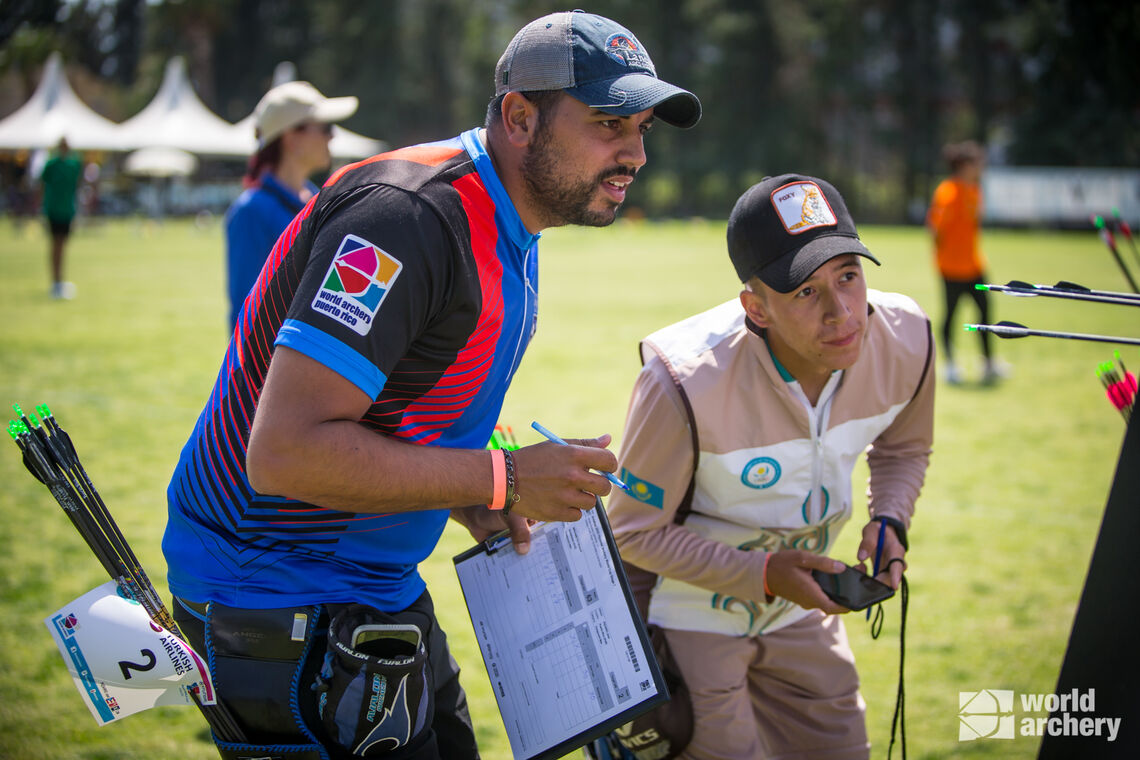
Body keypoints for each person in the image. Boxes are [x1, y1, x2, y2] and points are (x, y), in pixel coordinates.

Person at [163, 10, 699, 760]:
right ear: (520, 116)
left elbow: (395, 411)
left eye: (643, 128)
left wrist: (470, 494)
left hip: (370, 582)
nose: (636, 153)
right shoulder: (408, 217)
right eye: (611, 123)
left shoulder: (511, 218)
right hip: (277, 593)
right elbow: (285, 453)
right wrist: (502, 477)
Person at [608, 174, 934, 760]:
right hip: (686, 618)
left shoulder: (906, 337)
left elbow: (903, 448)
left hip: (799, 611)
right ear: (756, 307)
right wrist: (760, 574)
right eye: (805, 292)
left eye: (849, 276)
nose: (842, 312)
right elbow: (633, 532)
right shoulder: (682, 380)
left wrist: (891, 519)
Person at [225, 81, 359, 331]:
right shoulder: (251, 212)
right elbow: (246, 318)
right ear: (292, 139)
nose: (332, 135)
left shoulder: (320, 201)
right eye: (324, 127)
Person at [927, 139, 1003, 384]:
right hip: (951, 269)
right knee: (950, 315)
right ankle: (950, 365)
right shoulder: (948, 192)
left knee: (985, 312)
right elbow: (935, 229)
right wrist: (943, 258)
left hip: (974, 266)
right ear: (964, 165)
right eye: (977, 162)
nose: (981, 167)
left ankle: (989, 363)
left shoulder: (975, 190)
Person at [40, 137, 83, 299]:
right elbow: (42, 185)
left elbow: (77, 185)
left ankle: (60, 280)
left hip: (67, 211)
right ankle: (55, 281)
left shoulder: (73, 165)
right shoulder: (51, 165)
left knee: (63, 246)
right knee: (55, 245)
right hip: (53, 210)